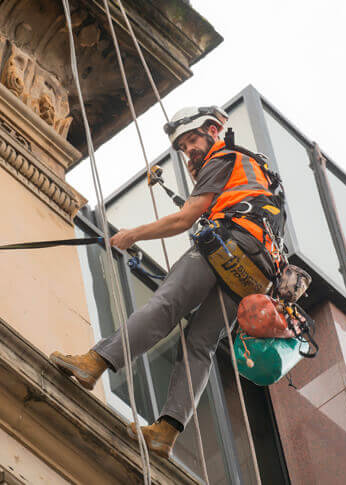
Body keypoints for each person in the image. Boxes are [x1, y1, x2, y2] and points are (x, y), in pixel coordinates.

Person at [50, 106, 284, 458]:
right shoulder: (252, 169)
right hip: (256, 273)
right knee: (200, 343)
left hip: (231, 245)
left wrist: (133, 235)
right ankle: (165, 432)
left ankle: (93, 364)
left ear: (212, 130)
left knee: (165, 306)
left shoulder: (222, 158)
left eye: (192, 140)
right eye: (183, 146)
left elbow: (185, 219)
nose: (189, 149)